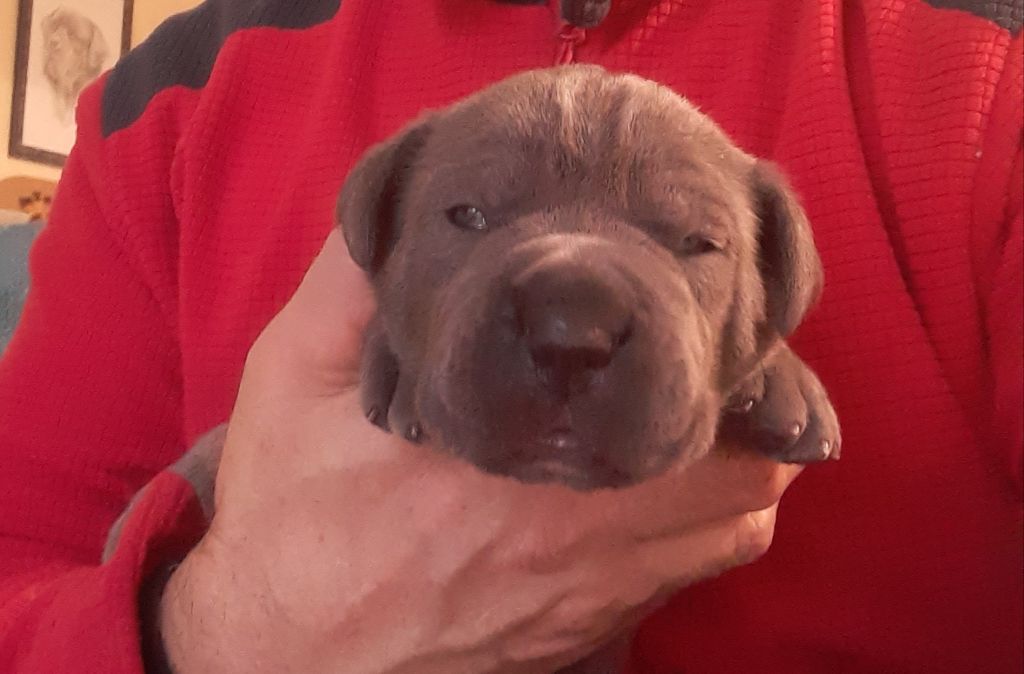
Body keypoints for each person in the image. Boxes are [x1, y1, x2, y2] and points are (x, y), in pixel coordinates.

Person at [0, 0, 1020, 672]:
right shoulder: (172, 94)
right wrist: (227, 633)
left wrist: (735, 359)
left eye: (695, 240)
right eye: (469, 218)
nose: (571, 325)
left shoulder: (990, 63)